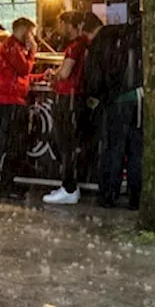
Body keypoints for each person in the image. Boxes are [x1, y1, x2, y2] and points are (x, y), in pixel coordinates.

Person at [44, 12, 103, 205]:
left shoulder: (75, 46)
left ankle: (69, 186)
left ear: (70, 24)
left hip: (69, 98)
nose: (59, 28)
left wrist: (55, 74)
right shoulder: (85, 44)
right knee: (70, 144)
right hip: (77, 99)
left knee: (65, 144)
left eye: (61, 23)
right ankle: (70, 185)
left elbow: (66, 72)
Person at [87, 14, 143, 210]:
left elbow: (94, 79)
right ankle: (136, 197)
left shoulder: (102, 42)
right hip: (137, 99)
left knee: (113, 149)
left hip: (114, 102)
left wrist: (98, 96)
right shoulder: (135, 39)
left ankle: (108, 195)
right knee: (137, 150)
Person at [0, 17, 38, 200]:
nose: (33, 37)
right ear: (25, 31)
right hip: (10, 101)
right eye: (32, 33)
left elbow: (22, 75)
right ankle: (7, 185)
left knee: (16, 145)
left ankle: (9, 184)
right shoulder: (12, 47)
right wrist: (32, 52)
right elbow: (24, 69)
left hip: (12, 100)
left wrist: (40, 76)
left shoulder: (12, 47)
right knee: (14, 145)